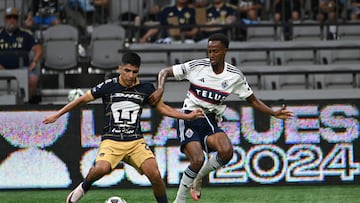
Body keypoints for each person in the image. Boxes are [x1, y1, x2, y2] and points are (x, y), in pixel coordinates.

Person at [149, 33, 295, 203]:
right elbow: (164, 71)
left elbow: (253, 100)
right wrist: (160, 89)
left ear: (225, 51)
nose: (211, 55)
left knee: (227, 152)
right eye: (209, 51)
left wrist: (274, 113)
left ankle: (199, 177)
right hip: (189, 116)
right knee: (197, 159)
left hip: (210, 119)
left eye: (215, 51)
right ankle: (179, 200)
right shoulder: (197, 66)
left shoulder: (234, 76)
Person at [42, 52, 204, 203]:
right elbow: (82, 99)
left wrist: (187, 116)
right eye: (127, 71)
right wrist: (58, 114)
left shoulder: (146, 89)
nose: (130, 75)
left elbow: (162, 108)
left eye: (135, 72)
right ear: (120, 68)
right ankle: (82, 188)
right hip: (112, 141)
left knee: (155, 175)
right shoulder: (108, 86)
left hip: (135, 142)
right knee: (101, 168)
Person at [0, 7, 43, 103]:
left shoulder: (25, 34)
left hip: (22, 69)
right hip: (1, 69)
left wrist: (34, 62)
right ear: (5, 19)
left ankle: (24, 103)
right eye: (9, 17)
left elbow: (38, 49)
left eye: (14, 17)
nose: (12, 20)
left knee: (33, 78)